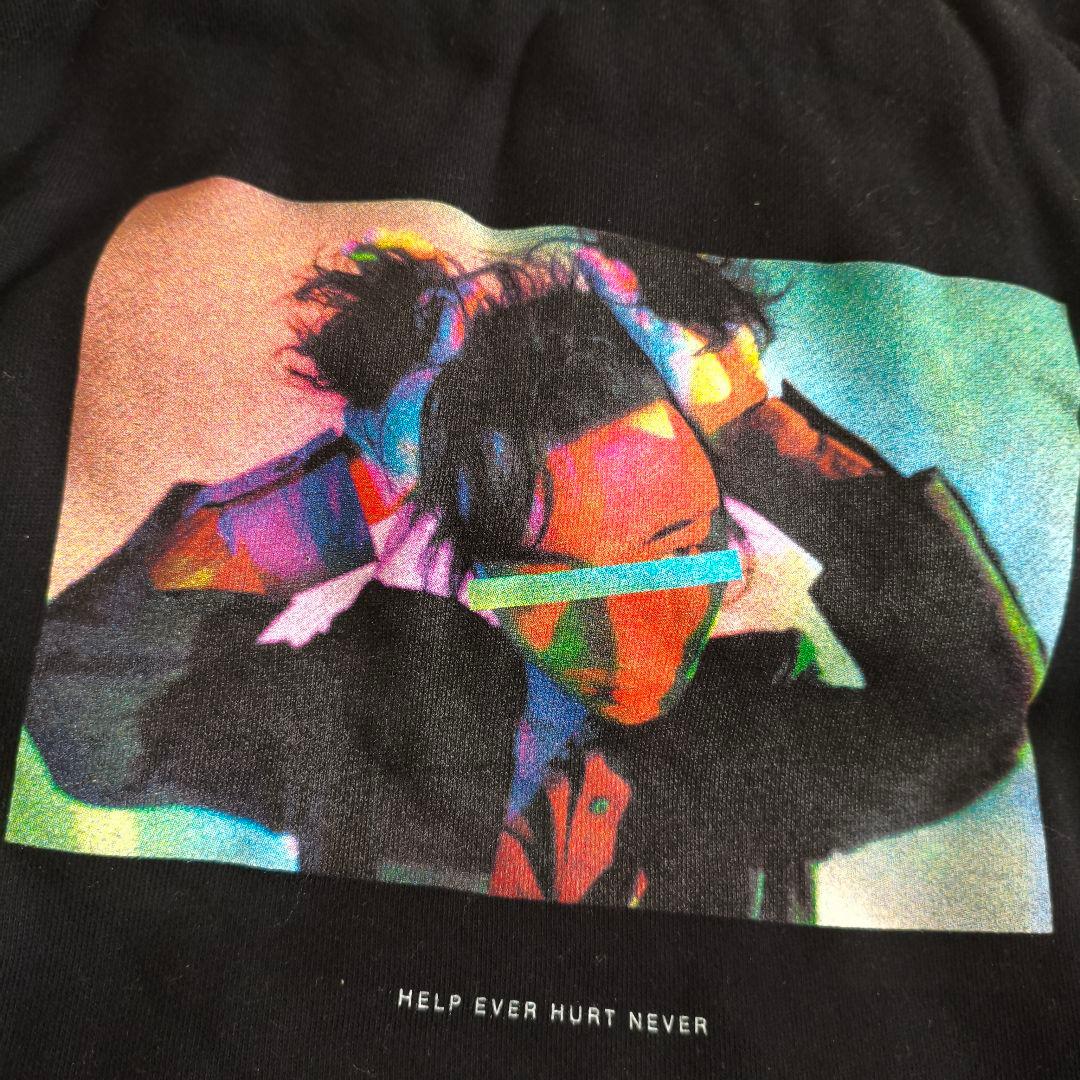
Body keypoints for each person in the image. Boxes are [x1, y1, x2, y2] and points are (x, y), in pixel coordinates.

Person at [23, 242, 1043, 920]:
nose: (631, 639)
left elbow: (976, 717)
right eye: (555, 592)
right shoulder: (372, 711)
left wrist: (754, 427)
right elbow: (85, 724)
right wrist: (339, 498)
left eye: (679, 553)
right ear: (479, 579)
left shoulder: (744, 744)